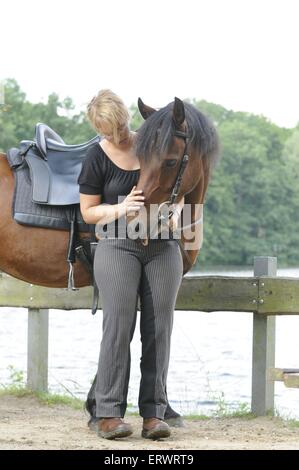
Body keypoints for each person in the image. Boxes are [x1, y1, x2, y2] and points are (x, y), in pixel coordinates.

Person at [78, 89, 184, 440]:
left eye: (120, 127)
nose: (117, 136)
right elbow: (89, 212)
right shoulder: (96, 156)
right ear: (99, 128)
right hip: (116, 243)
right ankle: (108, 412)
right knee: (119, 325)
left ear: (127, 118)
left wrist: (174, 214)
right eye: (108, 131)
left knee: (159, 327)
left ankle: (155, 413)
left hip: (161, 243)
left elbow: (180, 186)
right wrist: (121, 209)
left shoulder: (152, 144)